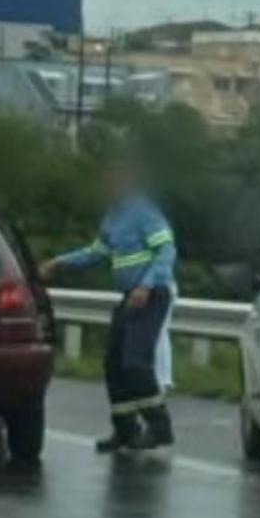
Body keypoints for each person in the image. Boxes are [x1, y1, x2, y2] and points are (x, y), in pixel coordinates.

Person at [40, 157, 176, 453]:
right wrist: (58, 264)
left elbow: (166, 249)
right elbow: (96, 252)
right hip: (129, 296)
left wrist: (147, 284)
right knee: (114, 364)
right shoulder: (113, 218)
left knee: (135, 362)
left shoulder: (143, 211)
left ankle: (159, 427)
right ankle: (126, 429)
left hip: (150, 295)